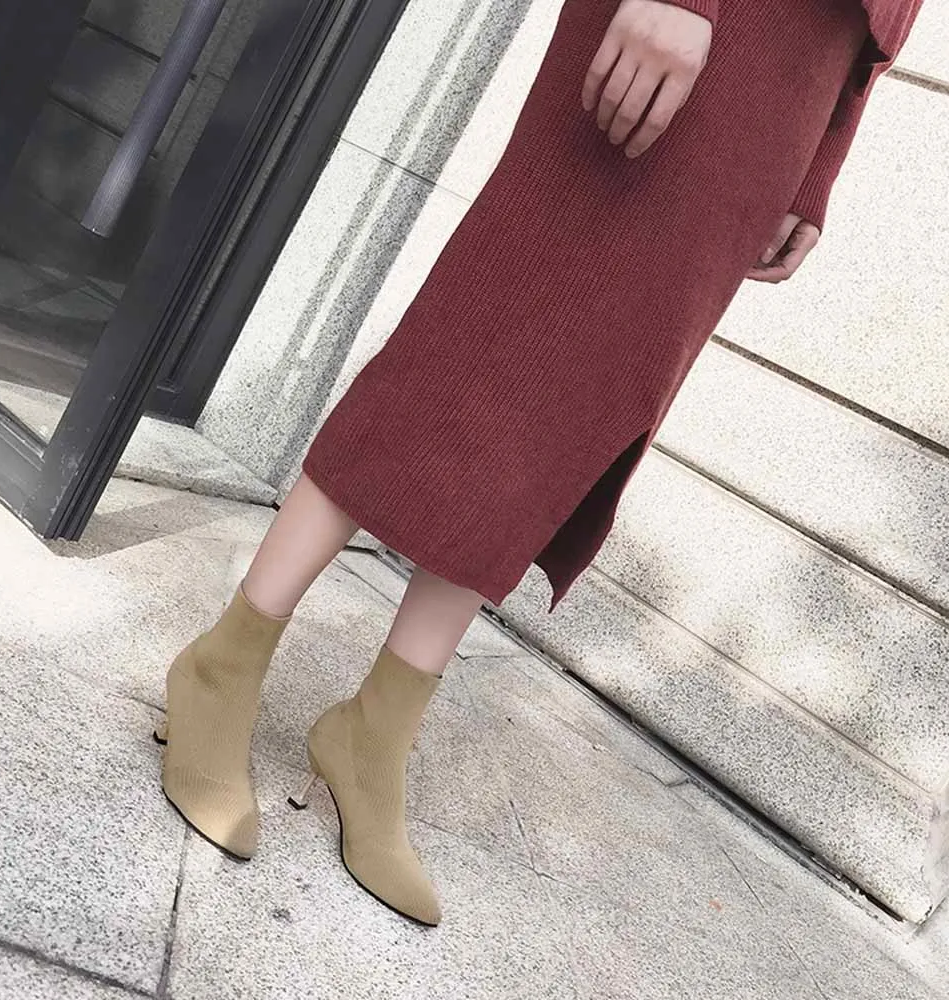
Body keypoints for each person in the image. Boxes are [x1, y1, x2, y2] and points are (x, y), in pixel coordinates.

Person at [153, 0, 924, 927]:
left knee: (578, 403)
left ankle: (377, 730)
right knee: (487, 324)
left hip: (805, 73)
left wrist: (825, 155)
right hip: (705, 20)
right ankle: (225, 661)